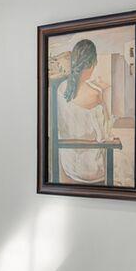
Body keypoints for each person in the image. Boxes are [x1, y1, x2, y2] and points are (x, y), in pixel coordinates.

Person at [53, 39, 114, 183]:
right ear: (92, 63)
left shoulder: (61, 88)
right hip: (91, 170)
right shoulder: (96, 94)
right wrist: (104, 93)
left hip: (68, 164)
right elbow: (104, 136)